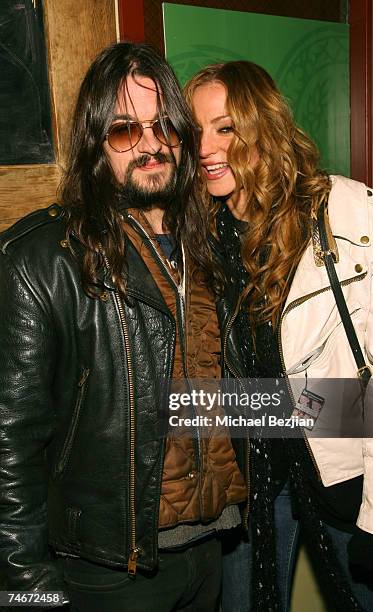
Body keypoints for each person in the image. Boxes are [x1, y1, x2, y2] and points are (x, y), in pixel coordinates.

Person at [0, 42, 247, 612]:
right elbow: (9, 446)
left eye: (163, 125)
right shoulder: (44, 260)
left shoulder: (209, 249)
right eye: (123, 131)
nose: (150, 144)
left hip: (213, 550)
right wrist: (26, 593)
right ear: (95, 143)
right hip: (110, 569)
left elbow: (213, 401)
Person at [184, 61, 373, 611]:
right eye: (195, 132)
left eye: (225, 127)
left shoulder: (362, 220)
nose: (206, 147)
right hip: (248, 482)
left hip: (342, 472)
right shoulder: (192, 233)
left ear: (264, 127)